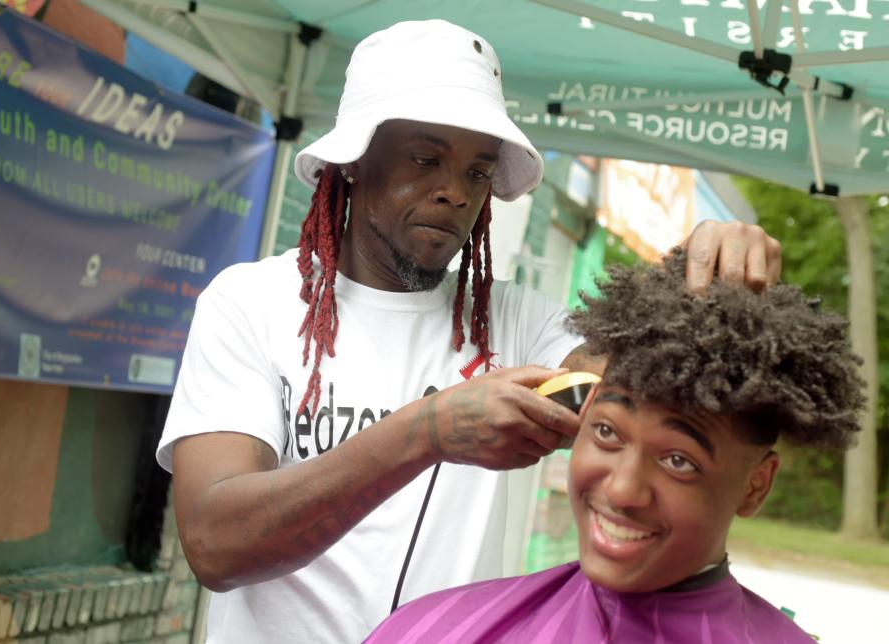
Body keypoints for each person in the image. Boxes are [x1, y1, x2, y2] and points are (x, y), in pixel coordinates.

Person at [160, 19, 783, 644]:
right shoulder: (251, 304)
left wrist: (696, 282)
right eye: (425, 159)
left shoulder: (522, 325)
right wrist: (426, 431)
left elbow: (627, 393)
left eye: (478, 172)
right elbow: (216, 546)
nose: (455, 193)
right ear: (353, 163)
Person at [364, 248, 864, 643]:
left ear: (756, 486)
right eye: (606, 431)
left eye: (677, 460)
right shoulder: (434, 629)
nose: (623, 491)